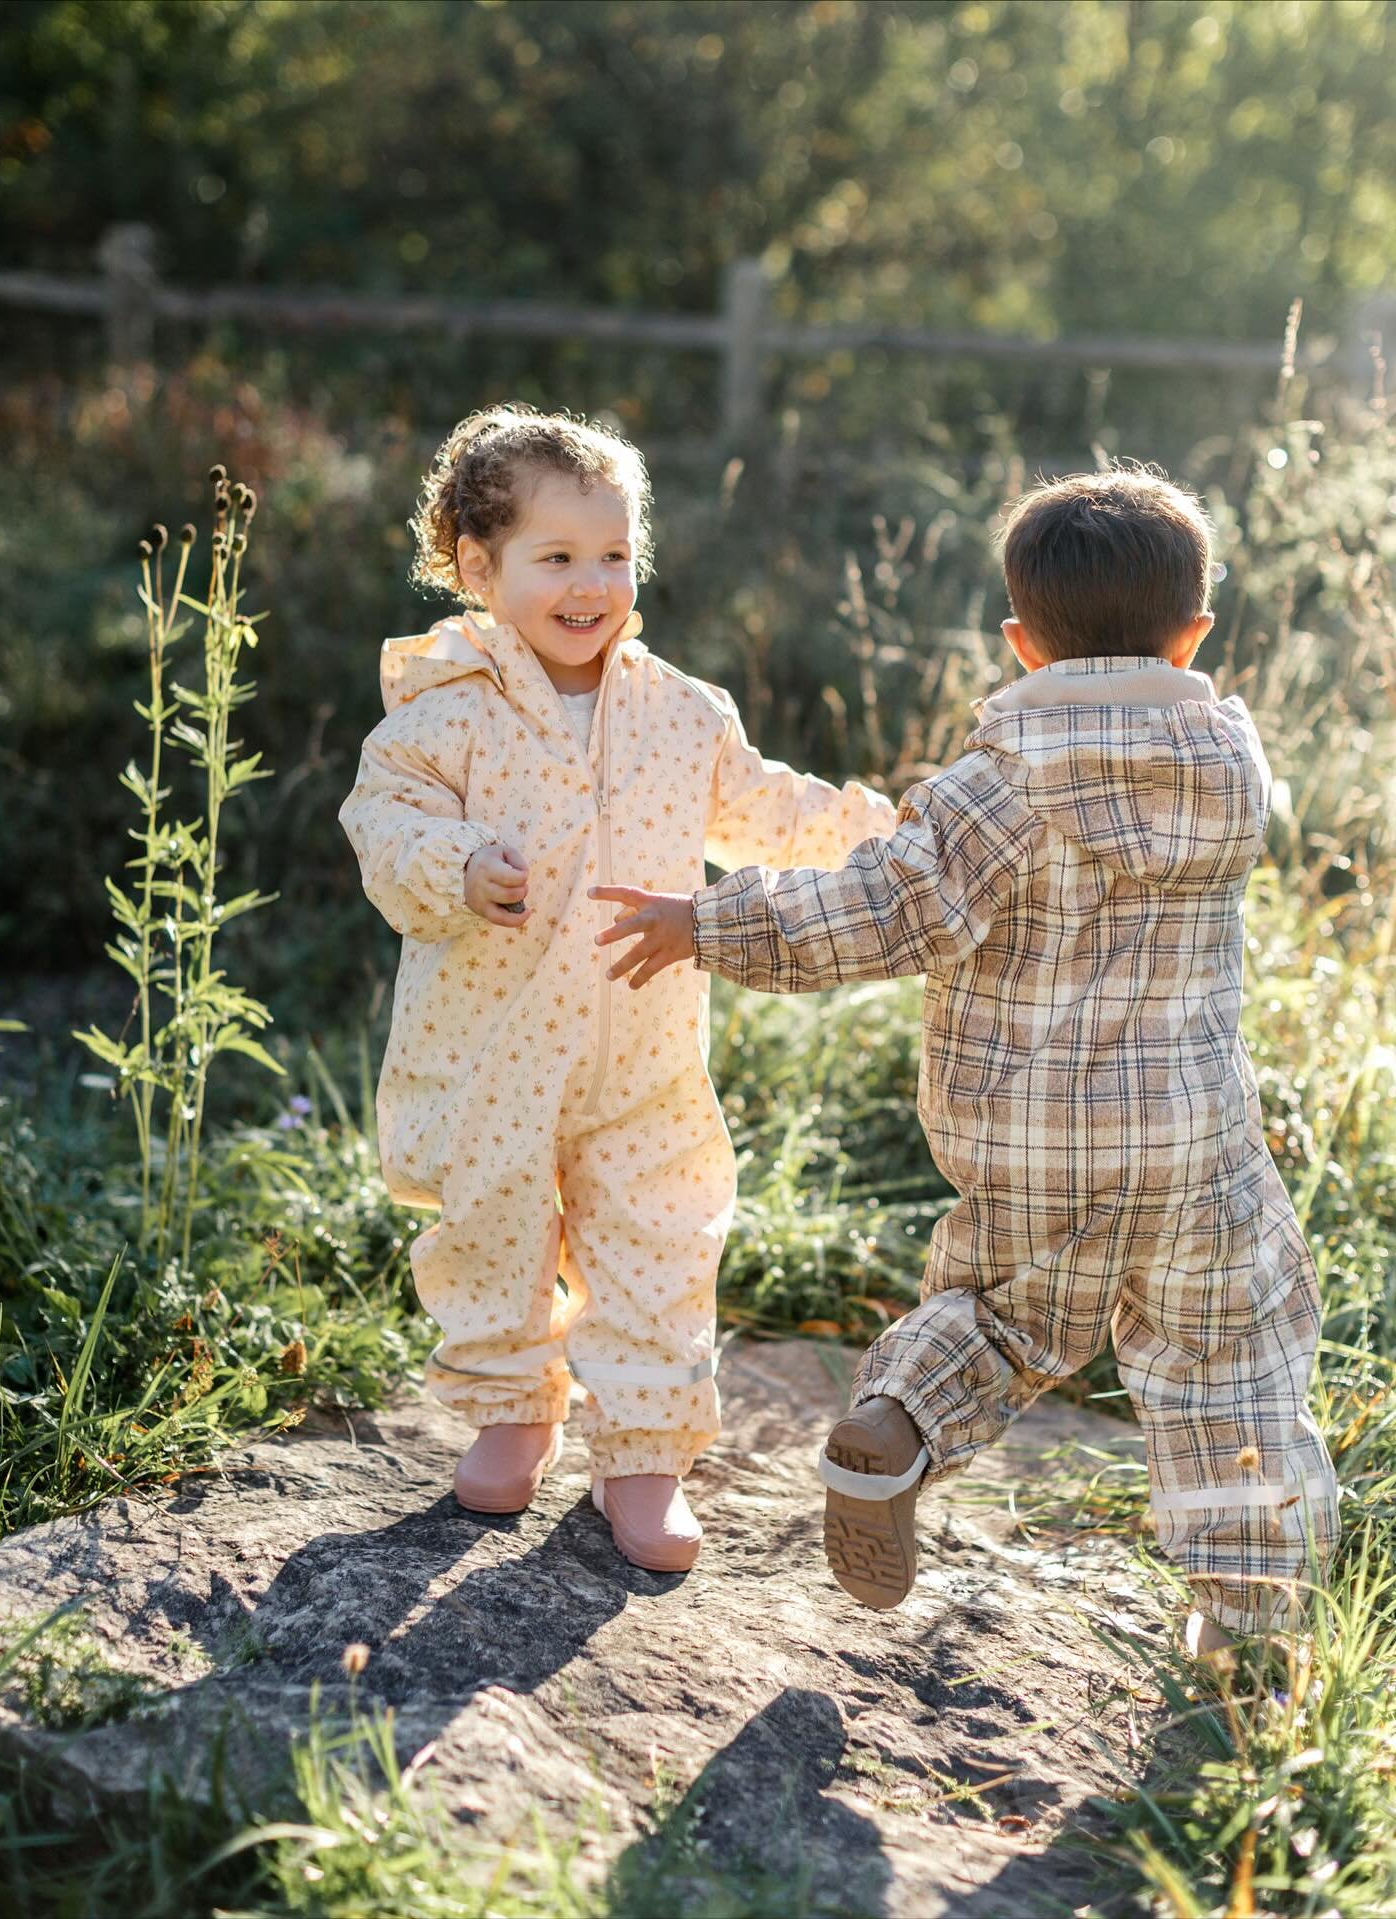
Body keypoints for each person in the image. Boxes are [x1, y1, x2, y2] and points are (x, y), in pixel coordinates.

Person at [593, 466, 1339, 1648]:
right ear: (1196, 632)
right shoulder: (1230, 773)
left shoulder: (1002, 784)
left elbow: (885, 907)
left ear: (1021, 643)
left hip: (1029, 1142)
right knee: (1231, 1363)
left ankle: (898, 1419)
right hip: (1198, 1149)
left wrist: (714, 921)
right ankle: (1252, 1622)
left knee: (998, 1316)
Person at [340, 404, 895, 1573]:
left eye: (613, 553)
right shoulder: (442, 712)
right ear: (478, 567)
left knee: (659, 1233)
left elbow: (769, 808)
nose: (592, 584)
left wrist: (893, 834)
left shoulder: (677, 710)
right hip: (488, 1042)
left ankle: (642, 1458)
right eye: (557, 558)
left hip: (641, 1050)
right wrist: (456, 863)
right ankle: (512, 1409)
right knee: (492, 1227)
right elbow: (382, 827)